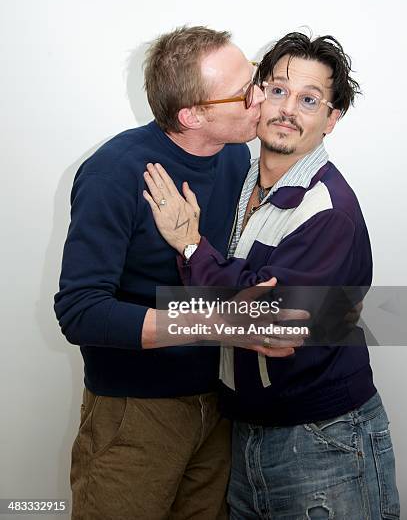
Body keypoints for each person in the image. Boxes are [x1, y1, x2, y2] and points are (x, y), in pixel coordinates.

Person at [144, 32, 400, 519]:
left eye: (310, 100)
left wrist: (192, 246)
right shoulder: (241, 178)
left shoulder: (329, 210)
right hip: (246, 434)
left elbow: (267, 321)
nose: (287, 110)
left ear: (332, 118)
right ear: (256, 95)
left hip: (325, 444)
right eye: (278, 90)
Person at [54, 25, 298, 520]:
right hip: (136, 413)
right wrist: (218, 321)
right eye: (245, 89)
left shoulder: (237, 158)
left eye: (255, 76)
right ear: (192, 115)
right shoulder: (115, 173)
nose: (262, 96)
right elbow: (80, 311)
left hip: (219, 406)